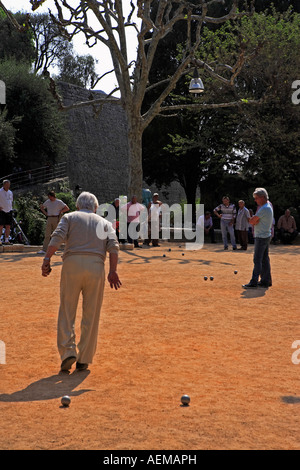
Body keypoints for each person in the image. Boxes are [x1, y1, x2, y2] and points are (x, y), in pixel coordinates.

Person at [41, 191, 121, 372]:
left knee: (67, 310)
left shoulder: (69, 217)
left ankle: (68, 351)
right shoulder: (105, 222)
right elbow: (113, 247)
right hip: (96, 265)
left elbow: (57, 237)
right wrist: (113, 271)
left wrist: (47, 260)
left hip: (72, 264)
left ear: (77, 206)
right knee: (91, 313)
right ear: (95, 207)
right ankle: (84, 357)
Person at [242, 188, 273, 289]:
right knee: (264, 259)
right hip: (265, 235)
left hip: (261, 237)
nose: (255, 200)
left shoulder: (264, 208)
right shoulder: (268, 205)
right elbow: (254, 221)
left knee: (258, 260)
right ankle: (266, 281)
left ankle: (254, 282)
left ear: (262, 197)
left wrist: (254, 221)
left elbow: (251, 221)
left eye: (256, 198)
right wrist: (255, 221)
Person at [0, 180, 14, 245]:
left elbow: (11, 200)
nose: (8, 186)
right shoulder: (0, 191)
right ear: (3, 185)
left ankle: (6, 240)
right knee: (1, 226)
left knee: (8, 226)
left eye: (9, 185)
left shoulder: (10, 192)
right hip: (1, 211)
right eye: (7, 185)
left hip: (9, 210)